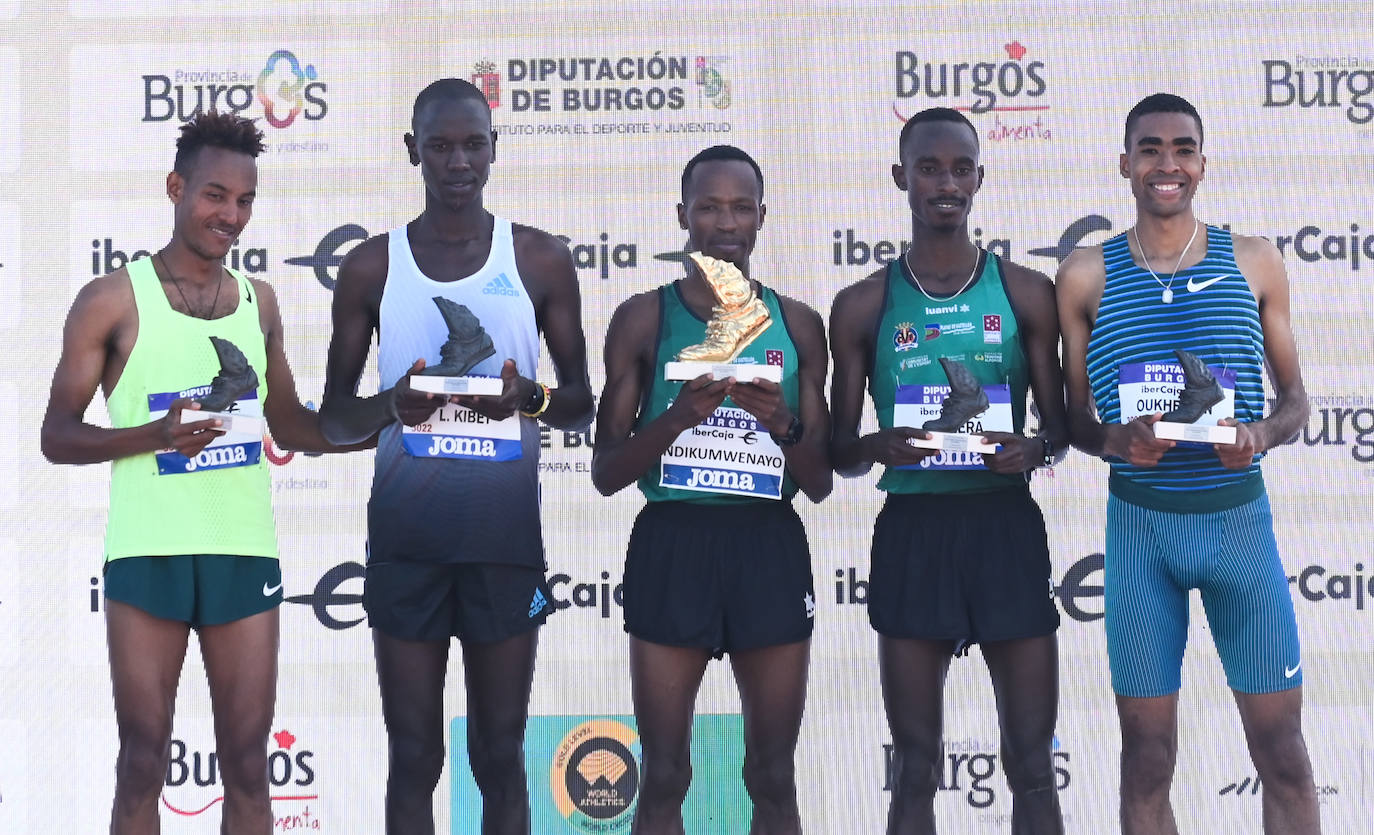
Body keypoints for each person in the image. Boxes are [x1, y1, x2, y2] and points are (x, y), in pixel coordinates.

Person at [40, 111, 357, 834]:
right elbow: (56, 435)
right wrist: (154, 435)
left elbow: (293, 425)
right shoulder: (112, 299)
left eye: (245, 201)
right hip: (147, 550)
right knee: (142, 761)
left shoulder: (259, 301)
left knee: (248, 765)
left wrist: (391, 415)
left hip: (243, 550)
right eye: (216, 195)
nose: (232, 216)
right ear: (176, 187)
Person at [319, 78, 593, 835]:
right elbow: (334, 419)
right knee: (414, 756)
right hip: (408, 548)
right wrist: (389, 410)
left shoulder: (538, 259)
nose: (458, 161)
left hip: (504, 548)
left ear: (495, 148)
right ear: (413, 151)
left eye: (473, 143)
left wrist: (526, 399)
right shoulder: (373, 266)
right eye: (439, 145)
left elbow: (581, 403)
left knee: (499, 754)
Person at [1056, 92, 1320, 834]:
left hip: (1238, 524)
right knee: (1145, 755)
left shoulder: (1255, 259)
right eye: (1149, 149)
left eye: (1181, 149)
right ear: (1125, 163)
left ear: (1202, 163)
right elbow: (1075, 418)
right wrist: (1119, 440)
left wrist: (1262, 435)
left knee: (1284, 751)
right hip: (1143, 529)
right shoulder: (1085, 274)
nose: (1165, 164)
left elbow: (1297, 399)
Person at [829, 107, 1068, 835]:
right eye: (929, 167)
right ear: (902, 177)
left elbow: (1061, 427)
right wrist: (877, 446)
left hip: (1004, 526)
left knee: (1030, 761)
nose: (946, 182)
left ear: (979, 179)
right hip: (914, 530)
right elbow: (838, 451)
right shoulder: (863, 304)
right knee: (915, 767)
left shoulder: (1027, 291)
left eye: (961, 167)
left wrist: (1035, 448)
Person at [591, 145, 831, 835]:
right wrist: (678, 416)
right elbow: (606, 472)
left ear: (760, 217)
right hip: (675, 544)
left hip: (768, 545)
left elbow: (818, 481)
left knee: (773, 775)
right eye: (708, 205)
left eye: (739, 206)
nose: (725, 221)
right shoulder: (644, 318)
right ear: (682, 215)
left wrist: (779, 419)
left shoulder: (799, 323)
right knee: (664, 773)